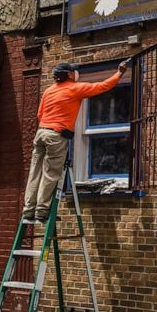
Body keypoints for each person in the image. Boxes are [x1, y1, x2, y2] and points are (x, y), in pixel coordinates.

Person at [23, 59, 128, 221]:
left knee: (35, 172)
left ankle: (28, 209)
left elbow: (40, 115)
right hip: (55, 136)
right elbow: (103, 86)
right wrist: (119, 73)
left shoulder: (49, 91)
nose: (77, 74)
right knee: (51, 173)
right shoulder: (75, 89)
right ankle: (42, 211)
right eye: (74, 71)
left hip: (41, 133)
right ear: (70, 75)